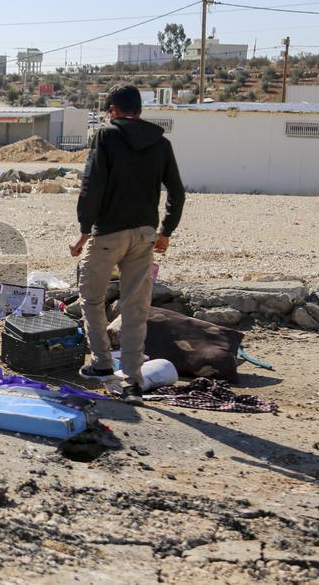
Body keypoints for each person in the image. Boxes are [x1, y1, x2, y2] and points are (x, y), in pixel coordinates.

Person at [69, 85, 185, 405]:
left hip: (108, 235)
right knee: (135, 308)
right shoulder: (161, 144)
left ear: (113, 111)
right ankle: (133, 381)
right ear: (140, 111)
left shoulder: (105, 137)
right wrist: (166, 231)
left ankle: (103, 362)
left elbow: (91, 187)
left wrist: (83, 230)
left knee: (91, 298)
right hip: (145, 236)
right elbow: (177, 191)